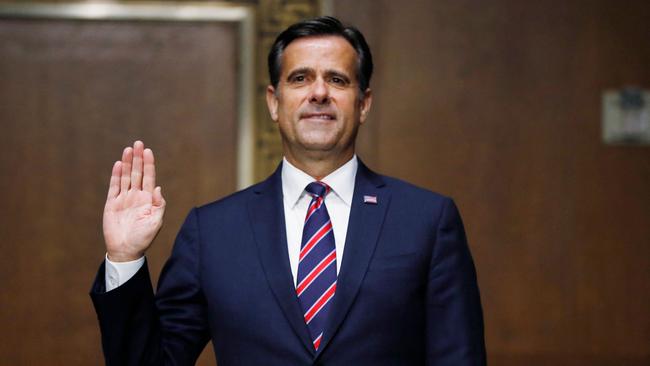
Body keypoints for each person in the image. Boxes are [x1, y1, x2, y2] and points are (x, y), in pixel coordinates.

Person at [90, 16, 486, 365]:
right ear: (274, 102)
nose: (318, 93)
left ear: (363, 103)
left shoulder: (427, 221)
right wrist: (124, 258)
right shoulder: (211, 232)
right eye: (300, 78)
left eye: (337, 79)